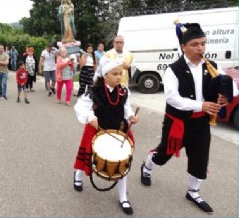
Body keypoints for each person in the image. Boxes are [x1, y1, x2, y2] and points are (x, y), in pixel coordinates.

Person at [140, 23, 233, 213]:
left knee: (200, 158)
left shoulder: (212, 66)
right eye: (195, 44)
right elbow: (172, 98)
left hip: (201, 123)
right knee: (163, 154)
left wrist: (226, 95)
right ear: (183, 46)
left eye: (203, 44)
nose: (201, 48)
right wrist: (201, 105)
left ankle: (193, 191)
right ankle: (147, 166)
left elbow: (231, 86)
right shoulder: (173, 69)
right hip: (178, 122)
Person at [73, 56, 139, 215]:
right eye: (115, 74)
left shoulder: (124, 91)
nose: (119, 77)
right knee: (86, 157)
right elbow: (81, 107)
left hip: (118, 130)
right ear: (105, 75)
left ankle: (123, 197)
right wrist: (90, 117)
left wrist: (131, 116)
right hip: (98, 130)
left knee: (121, 163)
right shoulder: (94, 91)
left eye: (120, 74)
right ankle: (78, 175)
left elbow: (126, 108)